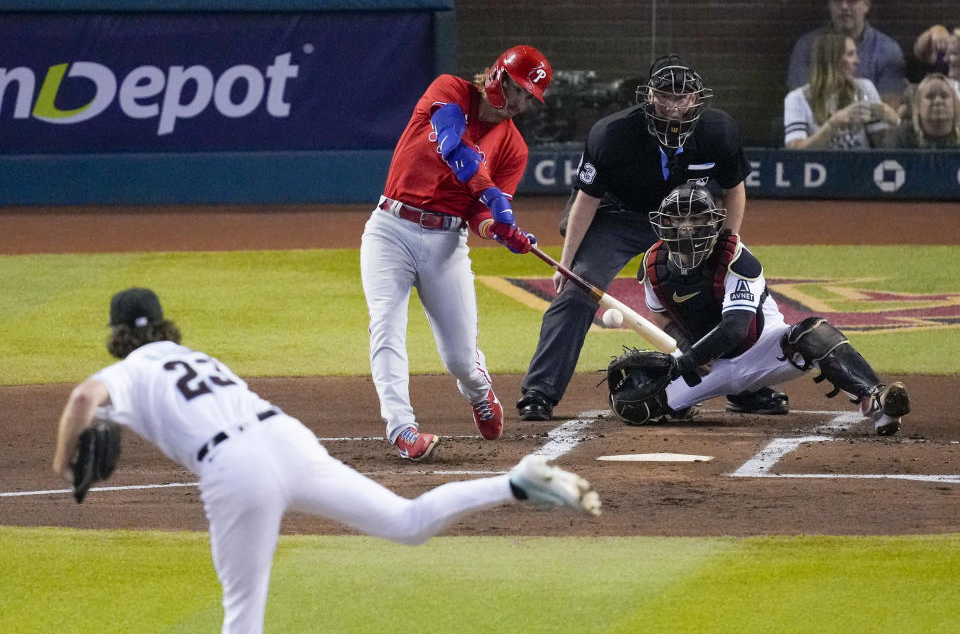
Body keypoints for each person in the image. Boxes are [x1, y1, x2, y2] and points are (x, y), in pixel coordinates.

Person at [52, 288, 601, 634]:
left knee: (242, 615)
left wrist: (63, 460)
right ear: (164, 324)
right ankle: (514, 483)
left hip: (233, 469)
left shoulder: (128, 371)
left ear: (117, 335)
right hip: (288, 440)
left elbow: (83, 401)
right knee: (405, 523)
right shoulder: (198, 357)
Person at [518, 53, 788, 423]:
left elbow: (734, 190)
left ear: (695, 98)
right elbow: (586, 200)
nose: (673, 106)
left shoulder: (718, 131)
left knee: (716, 294)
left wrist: (728, 244)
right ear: (648, 96)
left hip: (687, 223)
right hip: (620, 217)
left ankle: (744, 390)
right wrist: (566, 263)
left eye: (682, 97)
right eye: (665, 95)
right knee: (578, 290)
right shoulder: (612, 134)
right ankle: (540, 392)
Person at [360, 46, 550, 460]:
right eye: (517, 90)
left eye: (528, 99)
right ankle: (402, 430)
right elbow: (453, 145)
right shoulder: (449, 89)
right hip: (390, 230)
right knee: (386, 329)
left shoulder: (514, 149)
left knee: (461, 357)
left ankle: (480, 394)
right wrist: (494, 197)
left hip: (445, 244)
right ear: (497, 76)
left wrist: (502, 231)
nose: (518, 104)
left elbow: (479, 217)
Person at [613, 182, 910, 436]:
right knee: (634, 405)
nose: (687, 227)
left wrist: (685, 361)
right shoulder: (654, 266)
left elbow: (735, 328)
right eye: (679, 219)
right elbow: (661, 316)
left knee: (811, 332)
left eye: (697, 218)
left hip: (766, 349)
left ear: (714, 222)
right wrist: (688, 349)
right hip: (706, 363)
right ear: (665, 223)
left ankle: (876, 399)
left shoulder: (738, 260)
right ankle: (734, 397)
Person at [786, 0, 905, 110]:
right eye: (838, 0)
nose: (844, 7)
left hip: (868, 125)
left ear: (866, 5)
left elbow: (889, 106)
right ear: (830, 5)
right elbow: (800, 102)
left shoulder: (888, 49)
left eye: (852, 0)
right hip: (816, 126)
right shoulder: (807, 46)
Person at [784, 31, 899, 150]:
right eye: (850, 54)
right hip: (821, 166)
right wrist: (832, 126)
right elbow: (794, 151)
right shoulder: (797, 98)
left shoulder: (865, 88)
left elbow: (882, 145)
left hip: (860, 164)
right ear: (832, 60)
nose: (857, 61)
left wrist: (893, 120)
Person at [884, 73, 960, 148]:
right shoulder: (901, 136)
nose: (938, 101)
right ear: (918, 106)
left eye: (944, 96)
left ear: (955, 104)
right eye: (930, 96)